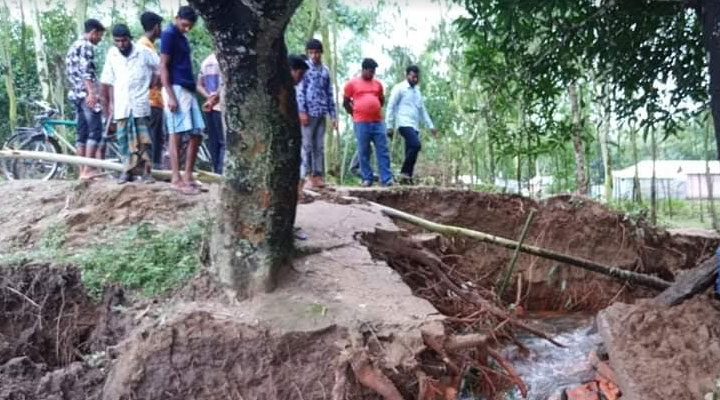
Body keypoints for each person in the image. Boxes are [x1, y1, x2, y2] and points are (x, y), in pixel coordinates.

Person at [100, 24, 159, 184]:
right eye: (117, 41)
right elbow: (108, 81)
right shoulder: (112, 54)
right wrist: (110, 104)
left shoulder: (144, 52)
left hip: (140, 103)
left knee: (144, 140)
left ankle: (147, 172)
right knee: (124, 140)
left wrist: (152, 84)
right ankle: (127, 171)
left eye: (124, 41)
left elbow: (159, 68)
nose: (121, 44)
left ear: (130, 39)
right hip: (122, 105)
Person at [159, 5, 205, 195]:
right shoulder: (169, 34)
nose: (187, 29)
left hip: (187, 88)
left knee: (197, 132)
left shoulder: (182, 36)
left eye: (190, 26)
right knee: (176, 133)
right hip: (175, 88)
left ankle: (188, 174)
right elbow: (163, 65)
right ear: (177, 18)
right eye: (185, 24)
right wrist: (170, 95)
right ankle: (176, 176)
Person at [343, 58, 393, 187]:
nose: (372, 74)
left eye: (374, 72)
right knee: (363, 150)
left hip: (377, 122)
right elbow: (346, 101)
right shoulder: (352, 84)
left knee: (382, 149)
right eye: (370, 71)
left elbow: (381, 100)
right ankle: (367, 178)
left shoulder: (377, 84)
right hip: (361, 122)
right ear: (363, 70)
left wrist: (373, 107)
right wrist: (354, 113)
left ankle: (386, 179)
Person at [65, 18, 105, 180]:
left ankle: (82, 170)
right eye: (100, 35)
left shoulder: (74, 45)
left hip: (75, 94)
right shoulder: (86, 46)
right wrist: (92, 93)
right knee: (95, 131)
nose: (100, 39)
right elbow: (86, 72)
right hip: (85, 94)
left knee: (81, 133)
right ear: (93, 32)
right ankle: (88, 168)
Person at [386, 65, 437, 185]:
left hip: (415, 126)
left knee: (410, 150)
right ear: (407, 75)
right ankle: (404, 172)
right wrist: (389, 125)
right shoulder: (400, 88)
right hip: (403, 124)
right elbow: (391, 106)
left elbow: (422, 110)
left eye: (417, 77)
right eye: (413, 77)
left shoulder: (417, 91)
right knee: (416, 145)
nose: (415, 79)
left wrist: (431, 126)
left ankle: (407, 178)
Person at [297, 39, 338, 189]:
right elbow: (300, 91)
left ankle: (317, 175)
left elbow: (330, 93)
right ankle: (305, 175)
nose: (314, 56)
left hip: (321, 112)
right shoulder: (304, 68)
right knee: (306, 145)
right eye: (311, 53)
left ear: (321, 53)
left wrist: (333, 115)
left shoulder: (325, 70)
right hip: (308, 112)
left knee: (318, 146)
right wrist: (302, 111)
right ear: (308, 53)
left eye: (316, 52)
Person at [138, 11, 165, 170]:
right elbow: (157, 73)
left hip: (153, 98)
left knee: (153, 136)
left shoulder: (146, 46)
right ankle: (153, 170)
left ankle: (153, 169)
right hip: (151, 99)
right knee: (153, 137)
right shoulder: (145, 48)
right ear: (156, 27)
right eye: (160, 27)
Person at [290, 54, 311, 240]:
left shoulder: (292, 90)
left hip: (294, 144)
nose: (302, 79)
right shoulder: (283, 91)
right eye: (301, 74)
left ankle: (291, 222)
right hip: (287, 149)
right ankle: (289, 224)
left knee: (300, 179)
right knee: (295, 181)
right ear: (294, 71)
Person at [197, 52, 225, 174]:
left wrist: (209, 97)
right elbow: (225, 83)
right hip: (220, 106)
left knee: (213, 140)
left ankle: (215, 169)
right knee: (224, 141)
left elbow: (199, 85)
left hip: (209, 107)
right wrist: (215, 97)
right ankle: (221, 171)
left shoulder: (206, 62)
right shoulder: (224, 61)